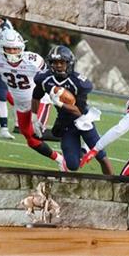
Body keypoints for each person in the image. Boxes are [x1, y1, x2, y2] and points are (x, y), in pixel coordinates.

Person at [0, 27, 61, 164]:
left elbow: (50, 79)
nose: (13, 51)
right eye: (9, 48)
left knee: (38, 131)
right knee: (31, 139)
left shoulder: (33, 60)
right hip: (20, 104)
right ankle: (60, 160)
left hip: (38, 100)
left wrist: (56, 94)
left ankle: (71, 136)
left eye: (16, 48)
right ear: (1, 48)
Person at [36, 44, 111, 174]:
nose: (58, 65)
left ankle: (113, 184)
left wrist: (60, 104)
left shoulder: (79, 82)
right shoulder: (44, 78)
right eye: (54, 62)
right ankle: (83, 150)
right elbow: (35, 96)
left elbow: (79, 111)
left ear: (69, 63)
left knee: (101, 157)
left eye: (61, 62)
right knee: (72, 165)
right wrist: (33, 116)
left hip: (83, 121)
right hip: (65, 123)